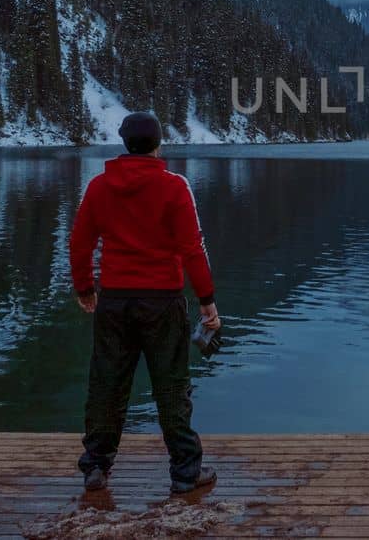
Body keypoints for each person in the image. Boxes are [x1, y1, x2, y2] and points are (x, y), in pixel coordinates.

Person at [70, 111, 221, 494]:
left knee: (107, 384)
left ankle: (96, 467)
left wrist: (86, 289)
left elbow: (80, 243)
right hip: (162, 302)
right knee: (171, 387)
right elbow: (192, 248)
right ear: (157, 145)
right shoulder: (174, 187)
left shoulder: (99, 187)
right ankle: (186, 472)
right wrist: (207, 300)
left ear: (125, 143)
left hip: (115, 301)